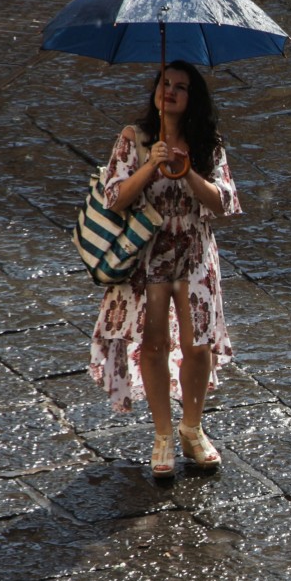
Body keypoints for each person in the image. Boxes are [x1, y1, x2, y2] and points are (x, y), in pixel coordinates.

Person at [89, 60, 241, 475]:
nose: (169, 91)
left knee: (198, 346)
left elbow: (224, 202)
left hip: (194, 254)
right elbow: (115, 198)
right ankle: (162, 436)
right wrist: (150, 165)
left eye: (180, 86)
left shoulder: (207, 142)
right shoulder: (133, 139)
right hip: (149, 255)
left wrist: (188, 173)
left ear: (193, 98)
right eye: (164, 83)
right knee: (153, 345)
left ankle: (192, 429)